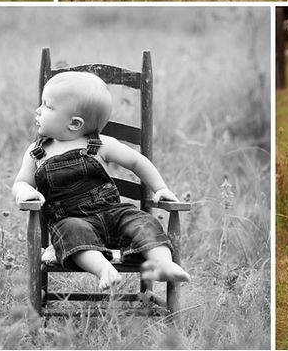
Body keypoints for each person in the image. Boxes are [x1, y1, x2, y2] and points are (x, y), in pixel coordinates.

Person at [12, 71, 191, 291]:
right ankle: (103, 268)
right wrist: (25, 192)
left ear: (75, 123)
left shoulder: (100, 145)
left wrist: (160, 188)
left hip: (112, 214)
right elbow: (21, 182)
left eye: (47, 106)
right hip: (72, 220)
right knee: (70, 231)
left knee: (144, 221)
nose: (38, 110)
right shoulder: (37, 152)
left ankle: (162, 262)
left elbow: (137, 161)